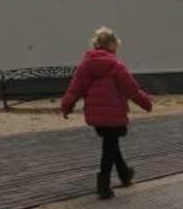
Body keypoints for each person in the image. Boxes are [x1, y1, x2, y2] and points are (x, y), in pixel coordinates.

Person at [61, 26, 153, 199]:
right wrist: (146, 103)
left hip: (96, 115)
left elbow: (75, 89)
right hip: (114, 113)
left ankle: (125, 174)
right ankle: (103, 184)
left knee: (111, 143)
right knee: (109, 147)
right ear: (112, 45)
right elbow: (131, 89)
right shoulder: (116, 65)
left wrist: (66, 106)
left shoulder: (85, 65)